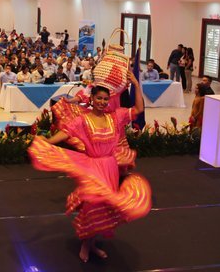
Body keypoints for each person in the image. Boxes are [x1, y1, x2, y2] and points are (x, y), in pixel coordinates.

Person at [27, 71, 151, 263]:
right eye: (99, 98)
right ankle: (86, 244)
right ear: (91, 98)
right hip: (93, 168)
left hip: (109, 166)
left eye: (105, 99)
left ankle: (92, 244)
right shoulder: (82, 120)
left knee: (104, 208)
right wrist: (49, 142)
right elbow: (66, 133)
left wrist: (136, 83)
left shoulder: (115, 117)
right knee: (92, 207)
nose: (102, 102)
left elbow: (138, 109)